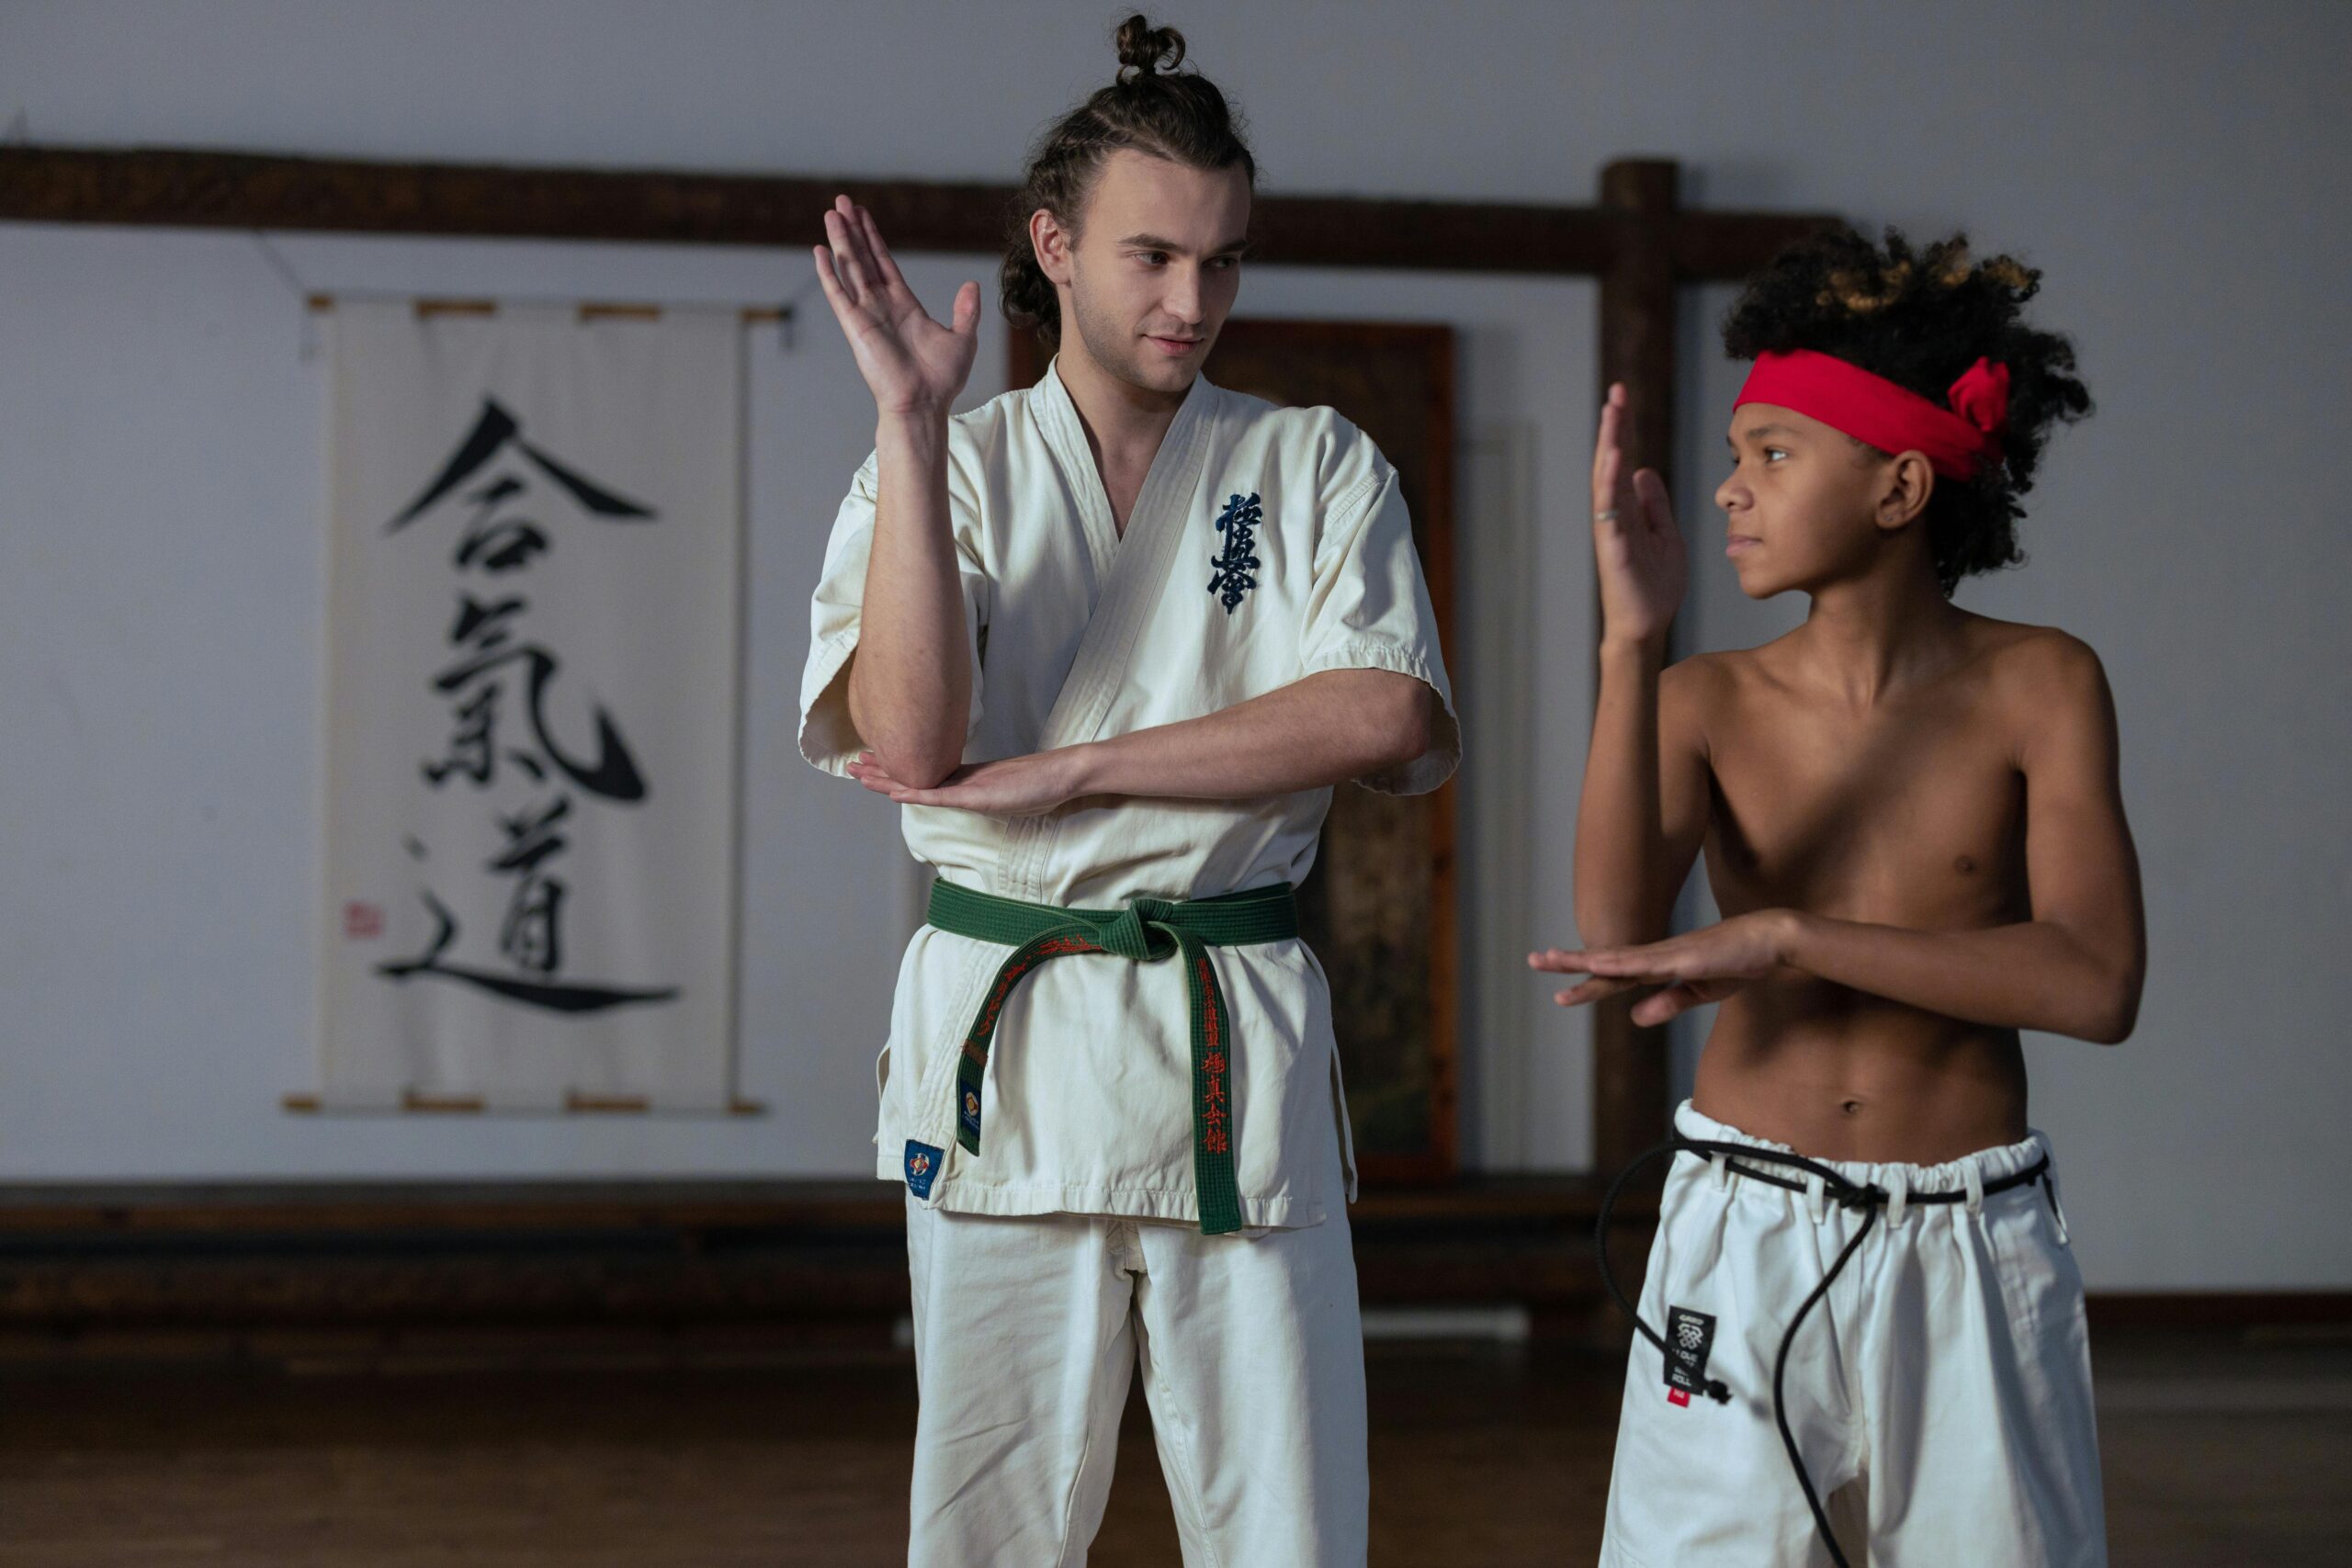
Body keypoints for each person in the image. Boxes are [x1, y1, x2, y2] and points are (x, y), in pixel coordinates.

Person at [797, 17, 1458, 1565]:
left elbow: (1381, 712)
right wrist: (904, 421)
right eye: (1153, 256)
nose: (1191, 301)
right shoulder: (949, 465)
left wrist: (1082, 764)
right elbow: (908, 731)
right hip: (1005, 1034)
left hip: (1229, 1013)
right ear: (1056, 247)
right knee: (990, 1521)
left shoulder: (1312, 462)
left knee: (1286, 1518)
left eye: (1223, 262)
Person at [1535, 226, 2143, 1568]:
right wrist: (1630, 642)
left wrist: (1790, 935)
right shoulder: (1703, 699)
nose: (1728, 491)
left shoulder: (2044, 683)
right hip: (1743, 1233)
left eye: (1772, 455)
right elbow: (1621, 940)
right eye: (1737, 456)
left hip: (1972, 1242)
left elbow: (2095, 984)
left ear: (1900, 484)